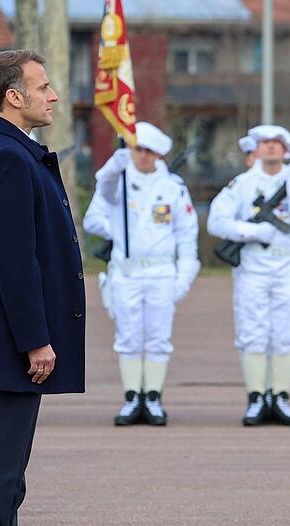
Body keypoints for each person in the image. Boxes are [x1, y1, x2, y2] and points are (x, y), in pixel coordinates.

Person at [0, 49, 85, 526]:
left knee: (8, 463)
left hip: (3, 333)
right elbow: (14, 261)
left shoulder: (3, 146)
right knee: (3, 464)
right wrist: (35, 340)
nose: (53, 95)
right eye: (43, 86)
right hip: (11, 338)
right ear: (13, 96)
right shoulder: (8, 156)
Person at [83, 122, 200, 426]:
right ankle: (132, 396)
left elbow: (187, 235)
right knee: (128, 336)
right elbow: (98, 205)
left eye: (149, 151)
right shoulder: (118, 182)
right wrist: (114, 167)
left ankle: (154, 396)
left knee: (158, 337)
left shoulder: (173, 187)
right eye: (138, 149)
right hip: (127, 272)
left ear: (159, 154)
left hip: (161, 272)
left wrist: (184, 277)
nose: (143, 156)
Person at [207, 125, 290, 427]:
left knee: (285, 332)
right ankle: (256, 397)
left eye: (277, 143)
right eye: (265, 143)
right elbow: (216, 222)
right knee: (253, 330)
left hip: (288, 263)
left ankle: (280, 396)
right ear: (256, 149)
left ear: (287, 150)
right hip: (253, 264)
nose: (271, 147)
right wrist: (252, 231)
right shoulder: (242, 185)